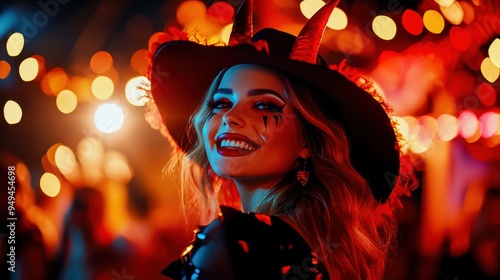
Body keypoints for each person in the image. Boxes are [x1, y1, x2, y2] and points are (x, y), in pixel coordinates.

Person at [145, 0, 417, 279]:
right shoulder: (322, 250)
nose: (230, 117)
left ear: (307, 141)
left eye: (265, 105)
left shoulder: (234, 244)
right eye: (221, 102)